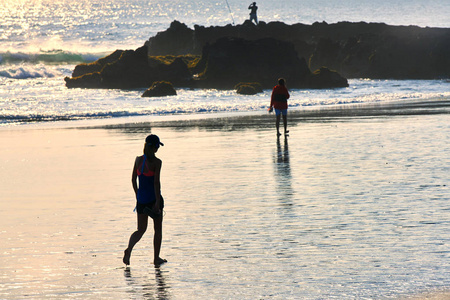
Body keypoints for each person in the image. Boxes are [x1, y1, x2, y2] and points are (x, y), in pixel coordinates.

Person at [123, 134, 167, 266]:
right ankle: (156, 258)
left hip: (141, 200)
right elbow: (156, 183)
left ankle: (129, 249)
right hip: (153, 200)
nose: (158, 149)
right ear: (153, 147)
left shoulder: (138, 160)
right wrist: (158, 203)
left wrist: (138, 195)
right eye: (157, 146)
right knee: (157, 230)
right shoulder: (157, 162)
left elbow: (133, 179)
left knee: (140, 229)